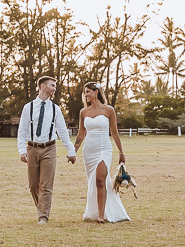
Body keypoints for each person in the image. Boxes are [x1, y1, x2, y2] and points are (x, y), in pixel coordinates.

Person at [17, 75, 76, 224]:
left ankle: (43, 216)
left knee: (46, 185)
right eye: (52, 85)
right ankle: (41, 208)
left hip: (49, 148)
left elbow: (62, 131)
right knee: (33, 185)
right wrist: (22, 150)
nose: (54, 89)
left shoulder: (55, 109)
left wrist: (71, 151)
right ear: (43, 86)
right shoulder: (28, 107)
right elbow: (22, 131)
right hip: (32, 148)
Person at [79, 82, 129, 223]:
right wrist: (73, 151)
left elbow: (114, 133)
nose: (86, 95)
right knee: (93, 182)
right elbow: (80, 134)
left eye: (88, 91)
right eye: (85, 92)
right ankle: (94, 211)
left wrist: (121, 152)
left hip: (104, 149)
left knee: (100, 179)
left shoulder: (109, 110)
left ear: (96, 92)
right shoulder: (84, 112)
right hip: (89, 150)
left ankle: (101, 215)